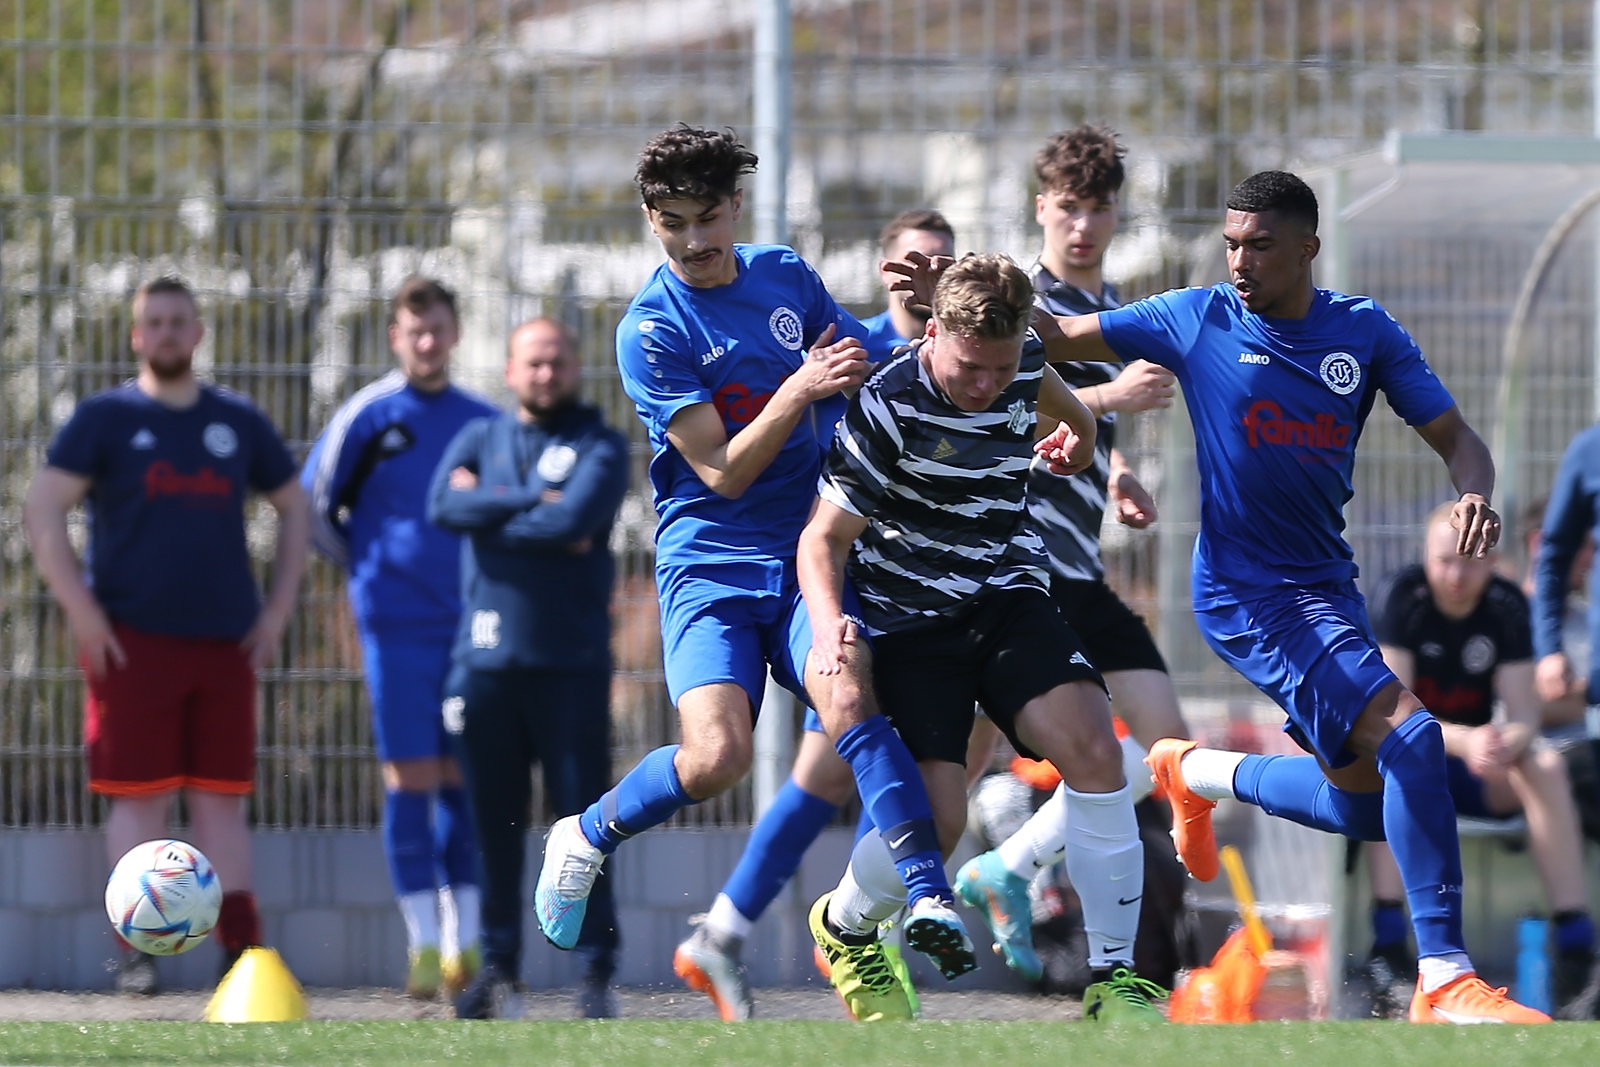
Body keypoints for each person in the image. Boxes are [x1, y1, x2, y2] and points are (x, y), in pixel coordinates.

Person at [955, 169, 1548, 1022]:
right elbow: (1060, 332)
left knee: (1374, 808)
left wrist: (1475, 492)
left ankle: (1195, 771)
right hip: (1246, 593)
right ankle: (1445, 978)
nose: (1239, 259)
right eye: (1231, 243)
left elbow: (1459, 439)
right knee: (1414, 740)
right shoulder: (1196, 317)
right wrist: (972, 295)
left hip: (1324, 593)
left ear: (1307, 248)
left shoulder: (1364, 332)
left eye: (1260, 245)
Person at [532, 125, 968, 1001]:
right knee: (718, 756)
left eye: (705, 218)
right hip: (709, 564)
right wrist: (799, 389)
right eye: (670, 221)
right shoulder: (650, 328)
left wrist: (927, 323)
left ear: (736, 206)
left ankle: (928, 895)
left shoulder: (784, 277)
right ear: (650, 217)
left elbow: (867, 363)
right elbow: (722, 470)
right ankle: (585, 832)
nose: (692, 240)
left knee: (850, 692)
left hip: (806, 551)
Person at [802, 252, 1166, 1023]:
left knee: (1098, 753)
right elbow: (822, 538)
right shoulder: (889, 402)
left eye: (1000, 370)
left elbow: (1072, 410)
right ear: (934, 331)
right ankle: (841, 925)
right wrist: (829, 622)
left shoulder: (1023, 357)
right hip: (911, 623)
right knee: (939, 824)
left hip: (1006, 592)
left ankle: (1114, 976)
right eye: (971, 367)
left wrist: (1078, 436)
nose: (985, 385)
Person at [670, 207, 958, 1021]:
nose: (922, 273)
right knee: (891, 760)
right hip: (846, 586)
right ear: (882, 266)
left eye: (940, 260)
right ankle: (871, 937)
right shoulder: (849, 345)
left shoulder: (958, 352)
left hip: (916, 583)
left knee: (840, 766)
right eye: (910, 260)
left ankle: (727, 930)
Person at [950, 125, 1192, 991]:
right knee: (960, 758)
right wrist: (1109, 393)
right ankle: (876, 908)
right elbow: (996, 415)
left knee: (1170, 748)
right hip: (1015, 571)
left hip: (1081, 569)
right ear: (1041, 210)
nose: (1081, 224)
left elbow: (1089, 434)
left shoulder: (1118, 309)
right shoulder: (1023, 307)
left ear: (1117, 213)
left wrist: (1120, 471)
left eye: (1097, 207)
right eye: (1066, 207)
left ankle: (1011, 861)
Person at [23, 277, 308, 995]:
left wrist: (275, 612)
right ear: (135, 335)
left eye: (179, 320)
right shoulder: (105, 418)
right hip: (131, 644)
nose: (168, 332)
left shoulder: (234, 420)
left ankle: (243, 953)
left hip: (223, 644)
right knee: (139, 798)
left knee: (221, 800)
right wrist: (81, 609)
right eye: (154, 321)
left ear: (199, 331)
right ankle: (136, 954)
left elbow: (295, 509)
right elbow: (43, 506)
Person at [427, 318, 630, 1019]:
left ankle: (596, 972)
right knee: (494, 827)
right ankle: (498, 967)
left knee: (584, 828)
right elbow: (442, 504)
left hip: (569, 669)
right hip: (482, 669)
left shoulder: (599, 444)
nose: (545, 374)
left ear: (575, 366)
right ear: (510, 371)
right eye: (532, 363)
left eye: (557, 361)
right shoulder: (481, 437)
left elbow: (572, 522)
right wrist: (522, 503)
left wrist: (491, 511)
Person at [302, 277, 498, 999]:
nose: (426, 341)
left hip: (473, 630)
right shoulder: (367, 417)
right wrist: (370, 567)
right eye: (414, 330)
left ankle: (465, 944)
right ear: (396, 336)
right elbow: (317, 506)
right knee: (409, 778)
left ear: (454, 332)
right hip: (395, 629)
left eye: (438, 328)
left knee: (465, 781)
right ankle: (421, 943)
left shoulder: (482, 419)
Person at [1366, 505, 1597, 1016]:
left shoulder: (1507, 604)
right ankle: (1388, 948)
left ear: (1491, 562)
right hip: (1422, 753)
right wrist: (1466, 740)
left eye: (1469, 562)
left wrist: (1507, 741)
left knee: (1545, 765)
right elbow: (1391, 713)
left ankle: (1577, 950)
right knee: (1390, 767)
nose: (1456, 575)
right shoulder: (1400, 598)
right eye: (1444, 561)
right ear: (1425, 557)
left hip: (1475, 767)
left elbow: (1523, 713)